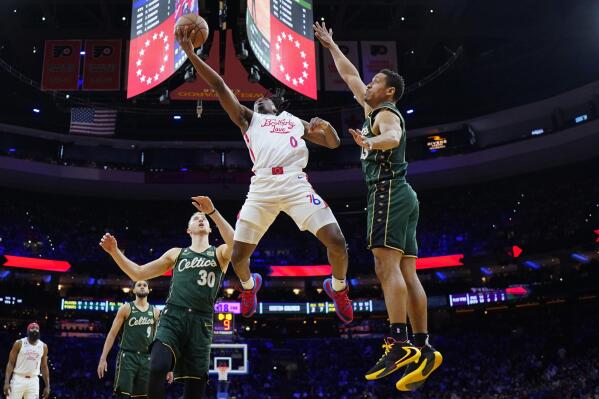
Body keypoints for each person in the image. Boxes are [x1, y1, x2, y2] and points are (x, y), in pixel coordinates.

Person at [175, 25, 353, 324]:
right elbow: (219, 86)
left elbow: (333, 144)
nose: (259, 100)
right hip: (263, 188)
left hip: (296, 183)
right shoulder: (248, 119)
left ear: (276, 104)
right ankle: (248, 288)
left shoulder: (294, 121)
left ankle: (338, 289)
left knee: (337, 241)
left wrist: (330, 130)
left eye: (264, 99)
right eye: (256, 100)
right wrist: (192, 56)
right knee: (238, 257)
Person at [314, 21, 443, 391]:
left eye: (373, 84)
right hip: (404, 194)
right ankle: (423, 346)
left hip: (387, 191)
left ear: (388, 91)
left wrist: (371, 144)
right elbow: (351, 74)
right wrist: (332, 46)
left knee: (385, 266)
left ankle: (398, 341)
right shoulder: (373, 108)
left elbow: (392, 136)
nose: (365, 87)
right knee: (407, 271)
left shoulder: (386, 114)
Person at [99, 196, 233, 399]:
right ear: (188, 230)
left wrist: (213, 212)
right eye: (195, 217)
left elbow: (236, 243)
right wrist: (114, 252)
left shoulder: (219, 253)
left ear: (210, 228)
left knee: (194, 391)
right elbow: (139, 273)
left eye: (203, 218)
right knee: (157, 366)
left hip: (201, 322)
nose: (200, 218)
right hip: (173, 317)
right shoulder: (176, 254)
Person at [97, 280, 168, 397]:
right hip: (128, 356)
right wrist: (103, 358)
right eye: (139, 285)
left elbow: (159, 340)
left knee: (142, 396)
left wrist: (167, 366)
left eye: (145, 285)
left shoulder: (155, 312)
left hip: (147, 358)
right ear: (134, 290)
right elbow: (112, 334)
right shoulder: (126, 308)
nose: (142, 287)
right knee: (122, 395)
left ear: (148, 290)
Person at [3, 322, 50, 399]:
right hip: (18, 379)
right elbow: (10, 363)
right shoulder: (19, 343)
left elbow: (44, 367)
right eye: (32, 328)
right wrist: (6, 382)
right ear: (28, 331)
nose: (35, 330)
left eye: (37, 329)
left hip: (33, 380)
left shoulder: (43, 346)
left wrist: (47, 386)